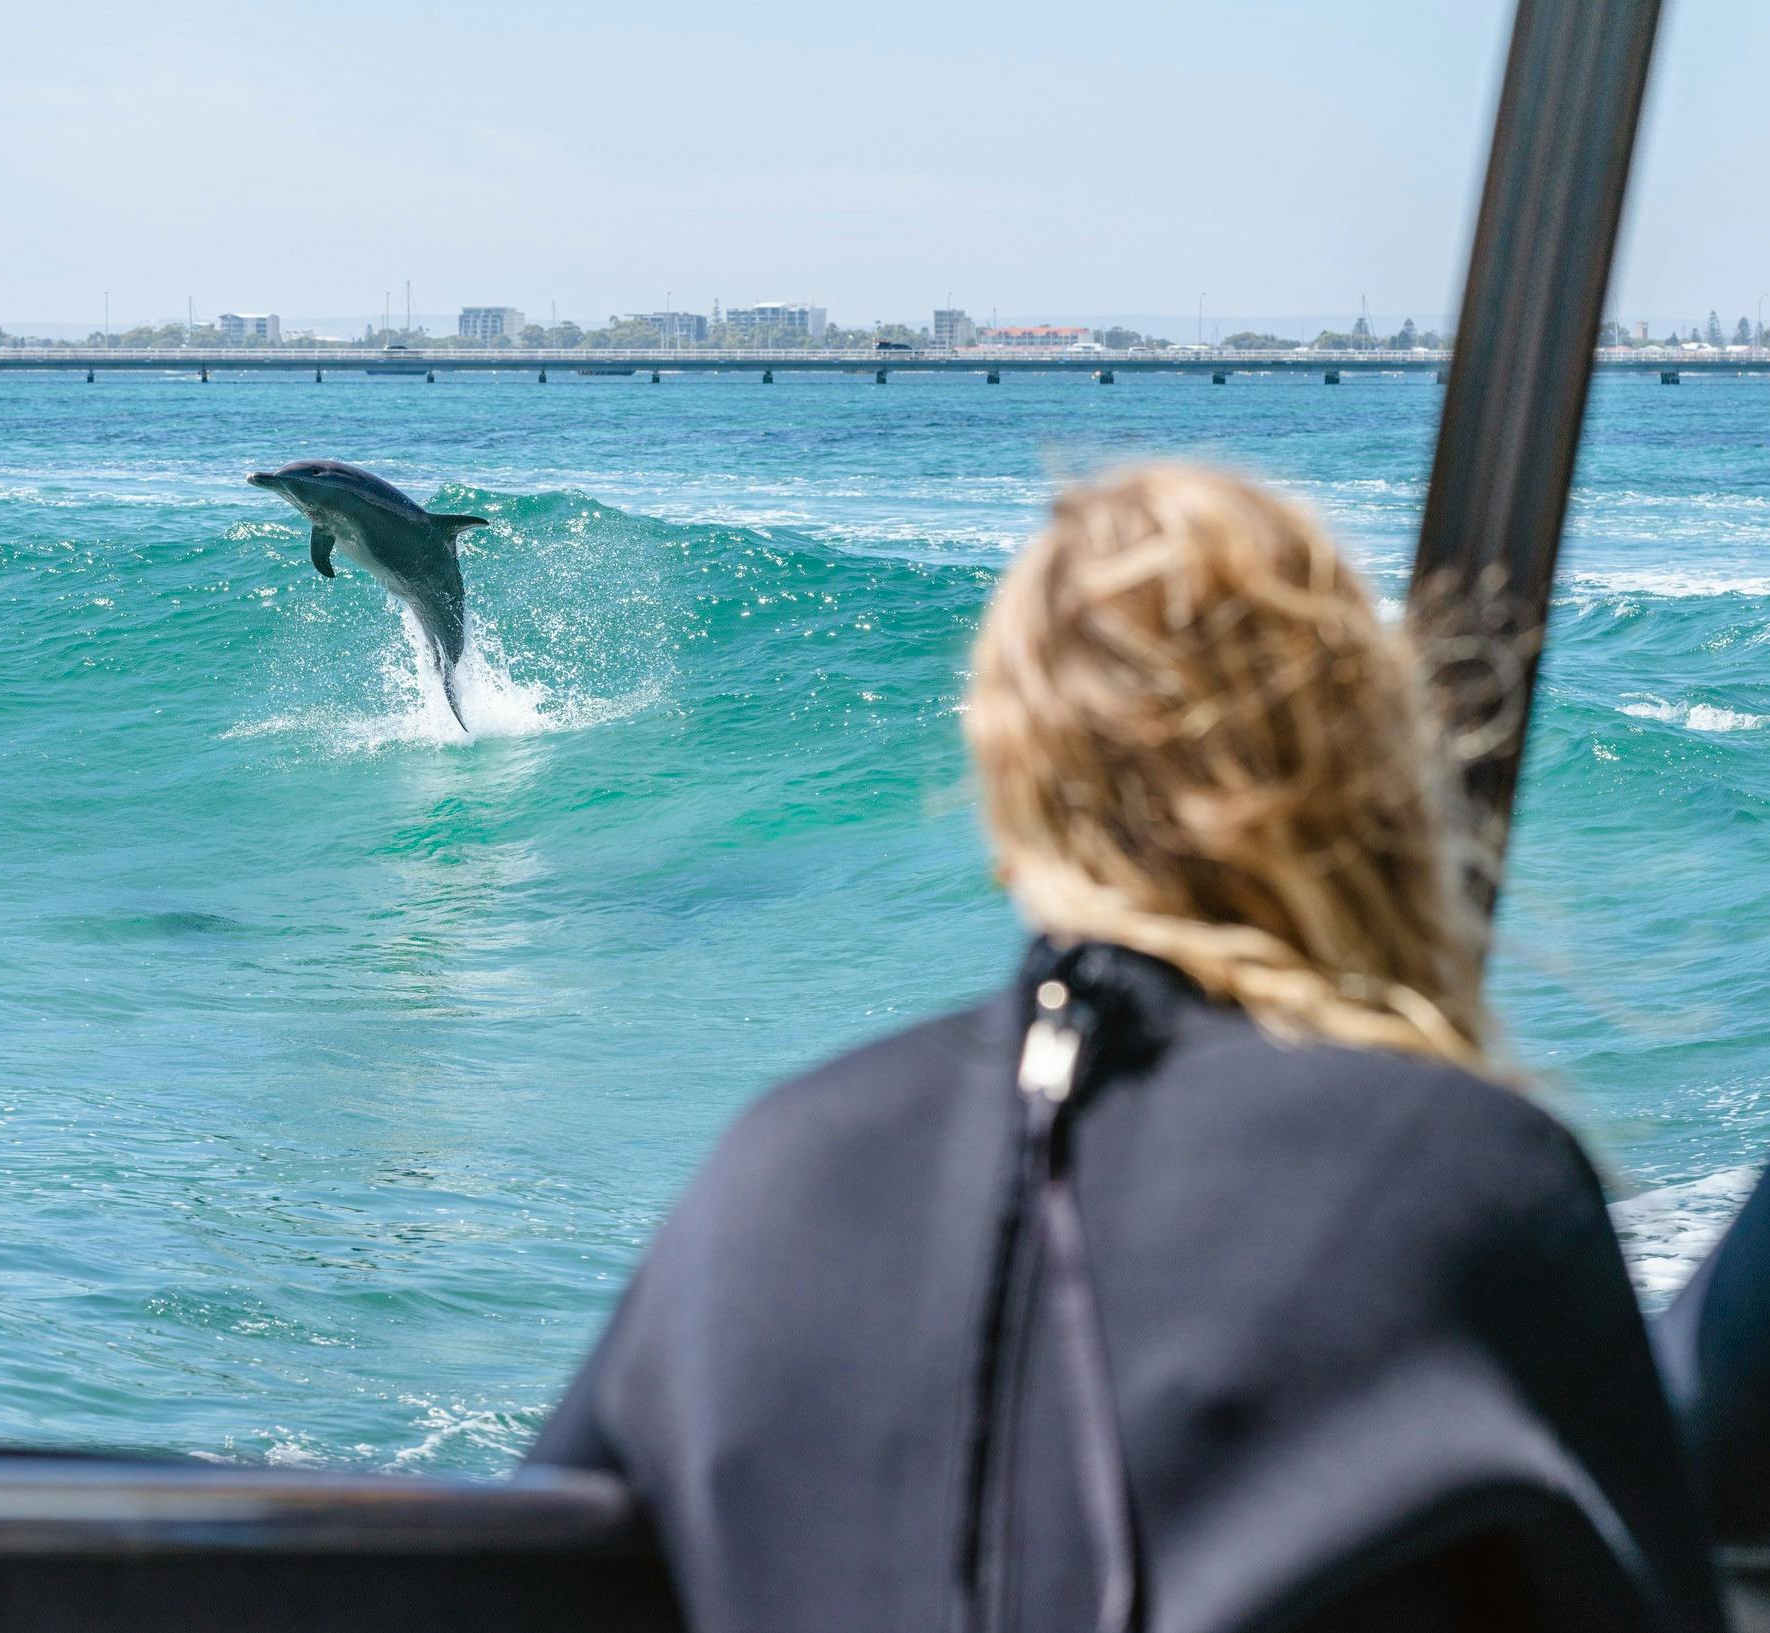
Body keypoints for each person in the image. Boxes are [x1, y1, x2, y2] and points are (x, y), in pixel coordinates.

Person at [527, 467, 1725, 1633]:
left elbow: (516, 1566)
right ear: (1369, 771)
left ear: (1012, 787)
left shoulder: (774, 1166)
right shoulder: (1465, 1174)